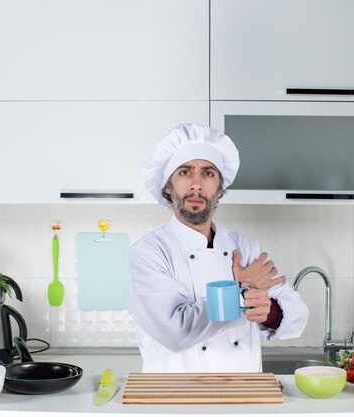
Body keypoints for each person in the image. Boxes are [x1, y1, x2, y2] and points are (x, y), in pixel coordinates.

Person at [128, 123, 309, 372]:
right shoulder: (149, 252)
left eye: (208, 173)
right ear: (167, 186)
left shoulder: (244, 245)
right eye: (184, 172)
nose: (197, 184)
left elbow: (298, 312)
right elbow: (176, 331)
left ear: (220, 188)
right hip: (175, 398)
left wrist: (270, 311)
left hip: (242, 394)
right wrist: (243, 293)